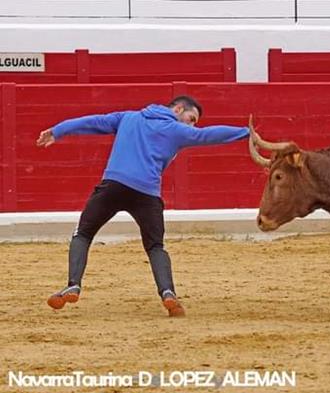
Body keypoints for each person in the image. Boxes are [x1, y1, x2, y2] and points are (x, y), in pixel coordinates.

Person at [37, 95, 249, 317]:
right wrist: (246, 133)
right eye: (191, 118)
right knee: (155, 246)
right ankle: (168, 293)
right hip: (147, 193)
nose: (191, 124)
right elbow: (207, 136)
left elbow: (92, 122)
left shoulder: (128, 118)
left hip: (113, 186)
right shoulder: (177, 130)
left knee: (83, 234)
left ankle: (73, 284)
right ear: (178, 109)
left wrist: (58, 130)